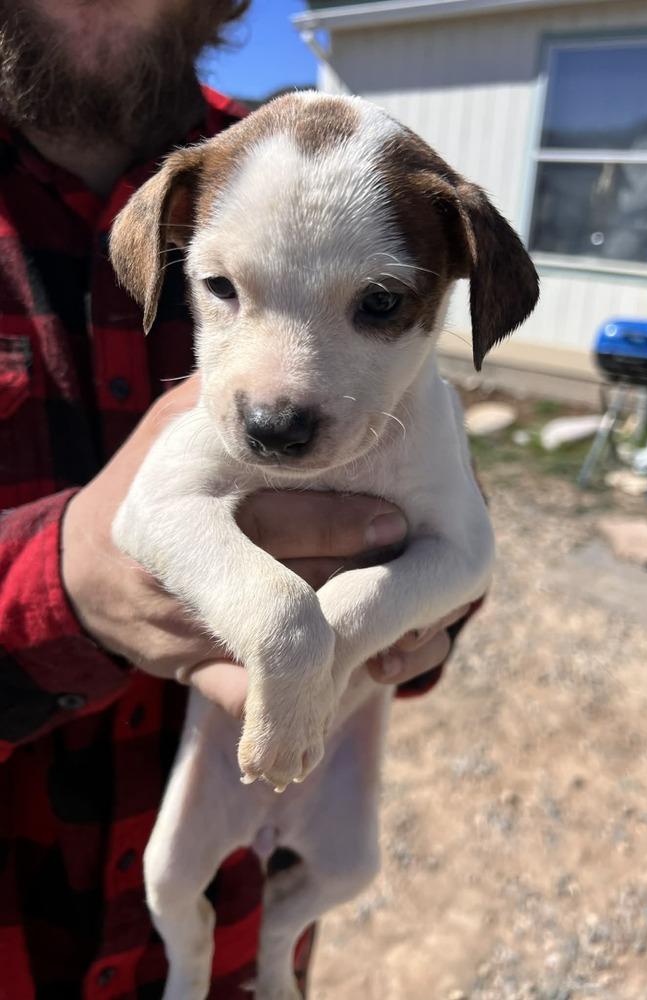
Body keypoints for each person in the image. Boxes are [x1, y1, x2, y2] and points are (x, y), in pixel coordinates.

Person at [0, 1, 475, 996]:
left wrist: (411, 611)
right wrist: (59, 588)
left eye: (377, 303)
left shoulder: (301, 166)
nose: (278, 401)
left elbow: (446, 570)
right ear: (172, 255)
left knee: (333, 874)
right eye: (220, 291)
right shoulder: (213, 180)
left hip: (257, 908)